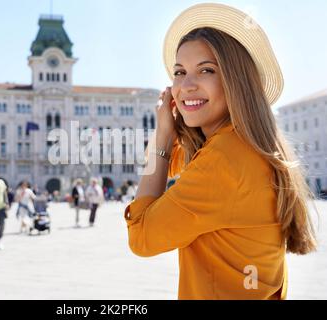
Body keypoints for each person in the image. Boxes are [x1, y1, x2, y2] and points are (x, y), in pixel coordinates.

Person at [124, 3, 317, 300]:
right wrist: (177, 126)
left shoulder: (224, 160)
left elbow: (142, 236)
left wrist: (163, 133)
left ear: (235, 80)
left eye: (206, 70)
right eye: (179, 72)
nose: (186, 85)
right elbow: (177, 163)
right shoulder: (247, 145)